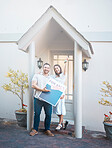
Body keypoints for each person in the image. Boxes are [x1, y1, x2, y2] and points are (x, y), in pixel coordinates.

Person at [30, 63, 54, 136]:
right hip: (38, 98)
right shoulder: (37, 75)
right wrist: (42, 90)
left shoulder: (51, 78)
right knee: (37, 114)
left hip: (48, 100)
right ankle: (35, 129)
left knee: (48, 115)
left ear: (49, 69)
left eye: (47, 68)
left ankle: (47, 130)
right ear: (43, 68)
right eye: (45, 67)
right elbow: (33, 85)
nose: (46, 69)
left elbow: (56, 88)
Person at [53, 60, 68, 130]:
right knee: (57, 110)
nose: (56, 69)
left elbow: (65, 71)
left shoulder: (62, 76)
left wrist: (66, 63)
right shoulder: (54, 77)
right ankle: (63, 122)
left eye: (57, 68)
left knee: (61, 109)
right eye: (55, 69)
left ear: (60, 68)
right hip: (55, 94)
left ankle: (59, 124)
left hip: (61, 94)